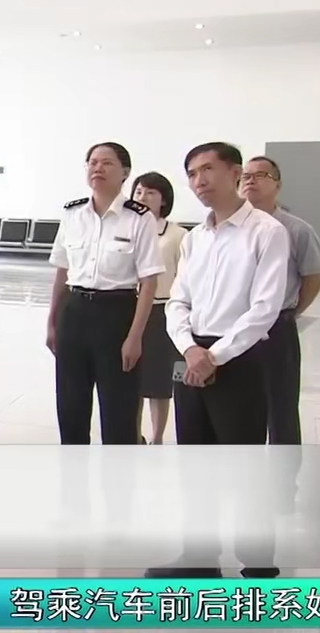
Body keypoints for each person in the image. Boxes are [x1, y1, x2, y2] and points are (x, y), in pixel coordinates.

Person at [153, 141, 290, 580]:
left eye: (207, 169)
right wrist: (190, 349)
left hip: (240, 357)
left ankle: (258, 563)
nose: (199, 181)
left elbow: (265, 308)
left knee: (243, 464)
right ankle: (199, 558)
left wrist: (214, 355)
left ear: (235, 174)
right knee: (194, 463)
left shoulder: (266, 232)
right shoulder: (195, 238)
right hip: (191, 354)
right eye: (192, 173)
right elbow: (178, 301)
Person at [46, 142, 164, 445]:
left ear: (125, 172)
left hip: (117, 314)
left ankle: (118, 471)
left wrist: (135, 337)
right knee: (70, 406)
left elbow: (149, 282)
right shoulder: (72, 214)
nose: (97, 168)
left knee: (119, 409)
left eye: (106, 163)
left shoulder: (139, 218)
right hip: (74, 312)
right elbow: (61, 272)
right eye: (92, 162)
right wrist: (52, 323)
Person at [239, 156, 320, 444]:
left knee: (281, 405)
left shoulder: (297, 230)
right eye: (245, 176)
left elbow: (314, 278)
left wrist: (291, 312)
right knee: (239, 403)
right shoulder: (231, 227)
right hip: (233, 323)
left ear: (277, 185)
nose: (250, 180)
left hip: (275, 327)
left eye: (260, 175)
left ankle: (284, 466)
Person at [130, 172, 186, 444]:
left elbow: (185, 278)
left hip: (162, 312)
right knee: (131, 379)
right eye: (138, 191)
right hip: (129, 309)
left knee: (159, 381)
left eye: (150, 192)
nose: (142, 197)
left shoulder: (178, 235)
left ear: (164, 200)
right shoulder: (126, 228)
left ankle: (157, 437)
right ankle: (133, 435)